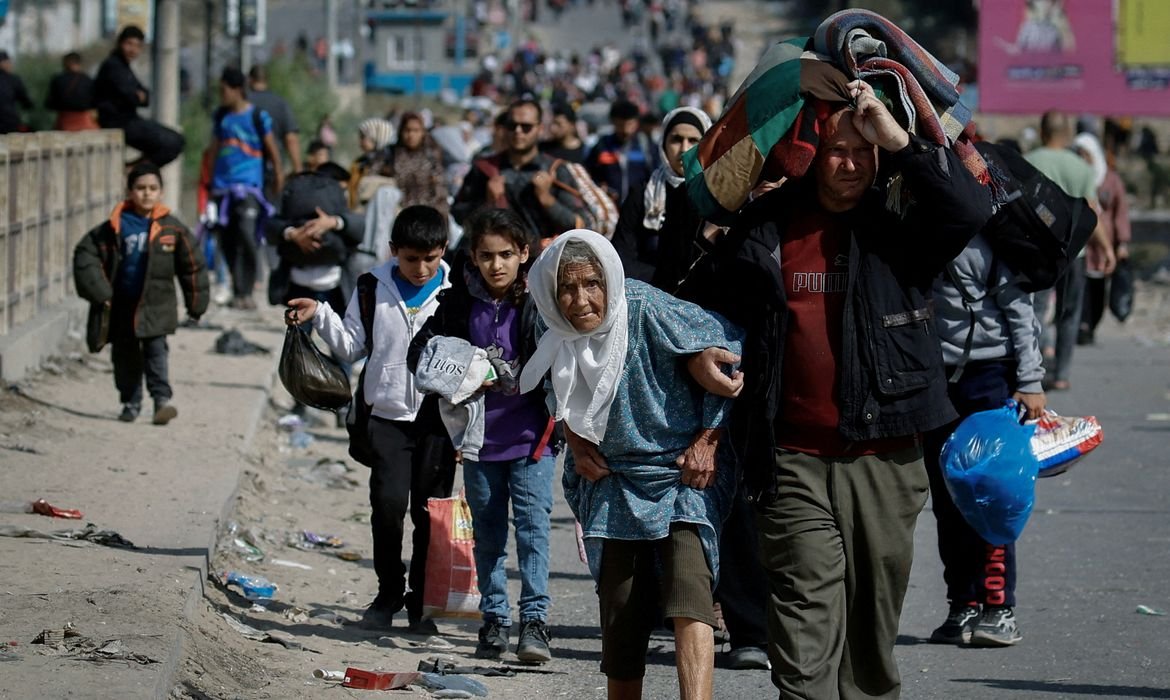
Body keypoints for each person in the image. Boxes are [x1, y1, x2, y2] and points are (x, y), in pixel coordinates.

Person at [687, 80, 992, 699]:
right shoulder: (768, 224)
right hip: (792, 458)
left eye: (861, 149)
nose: (849, 162)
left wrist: (901, 142)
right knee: (803, 627)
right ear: (811, 152)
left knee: (870, 632)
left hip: (886, 457)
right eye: (835, 149)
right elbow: (699, 300)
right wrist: (697, 355)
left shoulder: (904, 222)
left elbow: (970, 210)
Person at [518, 230, 743, 700]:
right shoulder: (550, 324)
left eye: (592, 284)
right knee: (621, 617)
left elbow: (729, 351)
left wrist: (707, 438)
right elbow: (555, 390)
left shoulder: (646, 308)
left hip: (678, 473)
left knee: (690, 597)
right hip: (613, 478)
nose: (580, 300)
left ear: (610, 281)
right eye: (567, 287)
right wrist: (576, 442)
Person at [285, 205, 455, 633]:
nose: (421, 268)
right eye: (411, 258)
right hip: (386, 417)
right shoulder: (369, 287)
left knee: (429, 515)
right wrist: (319, 314)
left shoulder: (458, 290)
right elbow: (351, 347)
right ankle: (387, 593)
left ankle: (421, 604)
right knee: (388, 506)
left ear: (443, 251)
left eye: (430, 258)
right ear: (394, 250)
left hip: (439, 422)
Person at [408, 208, 556, 664]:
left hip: (533, 440)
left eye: (507, 255)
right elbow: (422, 352)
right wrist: (460, 372)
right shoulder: (457, 304)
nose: (497, 265)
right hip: (478, 442)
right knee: (488, 538)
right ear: (472, 257)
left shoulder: (539, 302)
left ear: (524, 254)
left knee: (533, 532)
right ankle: (494, 621)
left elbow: (562, 360)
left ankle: (534, 624)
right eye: (487, 255)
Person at [923, 228, 1048, 649]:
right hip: (936, 384)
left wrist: (1030, 381)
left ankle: (998, 608)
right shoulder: (917, 232)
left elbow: (1021, 314)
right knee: (947, 501)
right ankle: (962, 604)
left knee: (995, 496)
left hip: (990, 381)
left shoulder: (990, 242)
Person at [73, 163, 209, 424]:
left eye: (152, 188)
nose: (146, 193)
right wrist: (100, 291)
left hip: (157, 305)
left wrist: (196, 305)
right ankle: (130, 402)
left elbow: (193, 268)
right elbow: (85, 254)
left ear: (161, 191)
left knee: (156, 352)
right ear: (130, 191)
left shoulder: (172, 229)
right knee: (125, 355)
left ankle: (161, 401)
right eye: (140, 188)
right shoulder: (115, 226)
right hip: (122, 305)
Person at [1024, 111, 1114, 390]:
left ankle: (1034, 370)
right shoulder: (1081, 167)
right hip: (1074, 252)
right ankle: (1062, 374)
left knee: (1035, 310)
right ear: (1066, 135)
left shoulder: (1029, 162)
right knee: (1070, 312)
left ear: (1042, 131)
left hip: (1038, 249)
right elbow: (1091, 212)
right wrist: (1106, 247)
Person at [452, 99, 593, 247]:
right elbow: (459, 216)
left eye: (526, 127)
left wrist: (547, 199)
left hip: (542, 262)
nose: (518, 131)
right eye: (512, 126)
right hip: (496, 261)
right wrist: (488, 202)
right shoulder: (484, 168)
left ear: (540, 129)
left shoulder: (555, 170)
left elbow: (579, 224)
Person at [206, 66, 284, 310]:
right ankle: (238, 291)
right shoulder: (221, 117)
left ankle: (248, 289)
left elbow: (271, 149)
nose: (222, 95)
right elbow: (214, 149)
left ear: (237, 89)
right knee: (227, 239)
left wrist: (279, 175)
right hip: (222, 188)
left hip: (250, 187)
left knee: (247, 235)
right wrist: (207, 182)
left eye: (224, 90)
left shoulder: (257, 117)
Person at [612, 106, 712, 292]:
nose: (684, 149)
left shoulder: (716, 196)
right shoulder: (643, 193)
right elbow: (621, 256)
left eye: (693, 140)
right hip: (648, 294)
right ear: (663, 144)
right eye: (676, 139)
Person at [94, 26, 185, 167]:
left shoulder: (124, 67)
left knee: (176, 141)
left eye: (137, 46)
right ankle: (135, 170)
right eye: (129, 44)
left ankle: (133, 168)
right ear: (120, 43)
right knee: (172, 143)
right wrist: (137, 96)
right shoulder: (113, 66)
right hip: (118, 121)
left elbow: (145, 96)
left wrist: (139, 96)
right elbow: (133, 96)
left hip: (129, 119)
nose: (133, 50)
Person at [1074, 133, 1131, 345]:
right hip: (1082, 245)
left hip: (1103, 245)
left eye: (1084, 153)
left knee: (1097, 290)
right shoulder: (1079, 175)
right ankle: (1082, 325)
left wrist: (1122, 243)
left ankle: (1091, 324)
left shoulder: (1111, 180)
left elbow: (1121, 212)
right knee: (1081, 288)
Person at [585, 99, 659, 204]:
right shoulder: (602, 146)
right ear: (613, 122)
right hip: (610, 208)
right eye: (620, 125)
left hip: (639, 210)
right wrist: (599, 187)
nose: (626, 130)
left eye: (630, 125)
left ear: (636, 123)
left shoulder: (647, 146)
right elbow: (588, 174)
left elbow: (656, 175)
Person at [247, 64, 302, 192]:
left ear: (249, 80)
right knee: (272, 209)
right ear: (267, 79)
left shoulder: (243, 105)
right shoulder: (280, 104)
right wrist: (297, 168)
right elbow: (291, 139)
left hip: (245, 170)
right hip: (273, 170)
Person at [389, 112, 451, 219]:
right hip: (399, 212)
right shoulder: (391, 155)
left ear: (423, 132)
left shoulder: (432, 155)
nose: (411, 135)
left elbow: (440, 190)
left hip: (428, 212)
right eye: (407, 130)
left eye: (416, 130)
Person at [348, 117, 396, 209]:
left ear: (376, 138)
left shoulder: (390, 163)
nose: (360, 142)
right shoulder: (360, 162)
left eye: (363, 137)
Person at [45, 52, 98, 131]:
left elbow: (50, 104)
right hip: (85, 122)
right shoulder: (87, 80)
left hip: (64, 122)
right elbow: (95, 102)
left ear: (65, 63)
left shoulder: (58, 80)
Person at [0, 50, 33, 134]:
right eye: (8, 62)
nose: (10, 65)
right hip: (9, 122)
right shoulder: (13, 79)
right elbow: (26, 101)